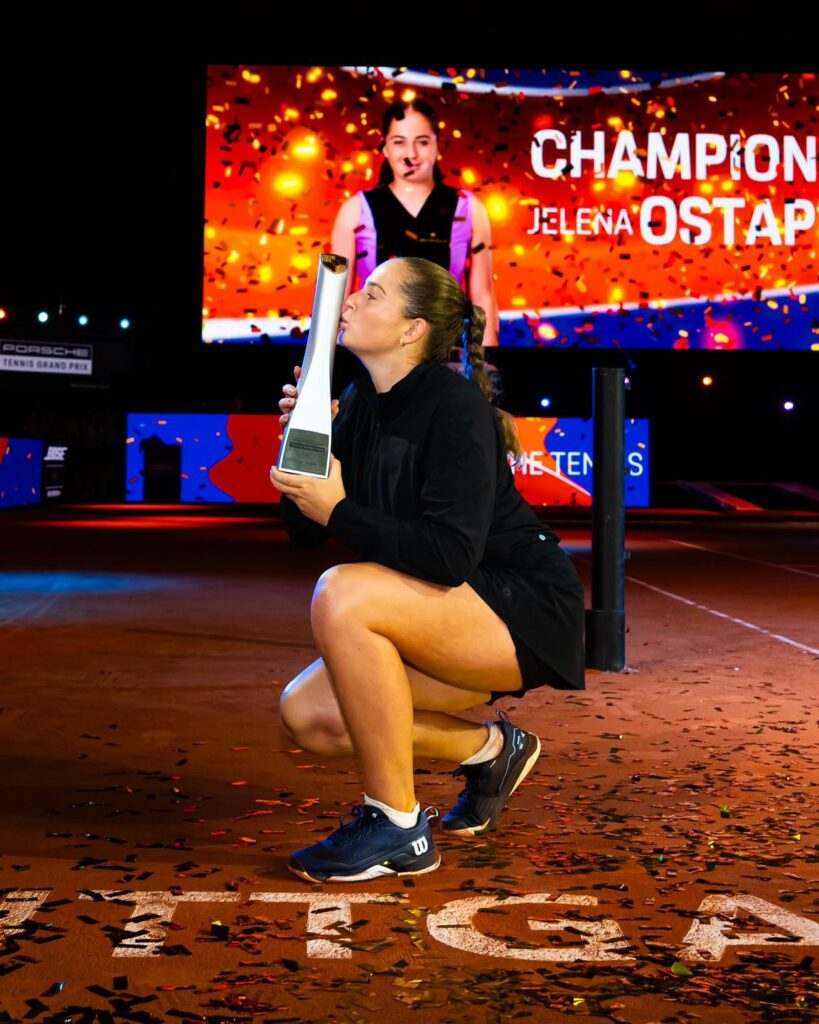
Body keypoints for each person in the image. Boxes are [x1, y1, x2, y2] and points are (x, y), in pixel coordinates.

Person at [269, 256, 585, 884]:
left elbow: (449, 555)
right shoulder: (360, 402)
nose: (350, 301)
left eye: (372, 294)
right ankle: (491, 751)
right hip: (443, 604)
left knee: (342, 592)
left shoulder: (455, 407)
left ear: (411, 330)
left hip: (518, 608)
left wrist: (340, 510)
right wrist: (308, 441)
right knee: (310, 716)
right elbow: (306, 530)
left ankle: (397, 825)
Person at [331, 98, 501, 345]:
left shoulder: (469, 208)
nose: (411, 154)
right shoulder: (355, 210)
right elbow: (336, 301)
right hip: (374, 354)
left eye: (422, 142)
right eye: (399, 142)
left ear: (437, 145)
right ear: (385, 147)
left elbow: (483, 296)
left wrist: (487, 363)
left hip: (448, 353)